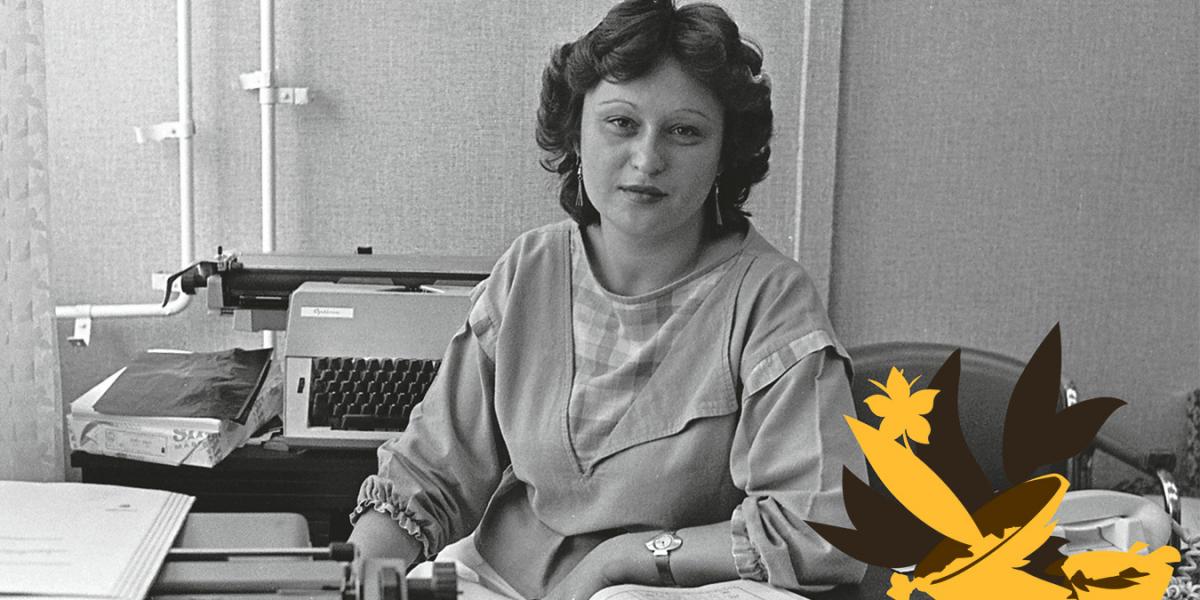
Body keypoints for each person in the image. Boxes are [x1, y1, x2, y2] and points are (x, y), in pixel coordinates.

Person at [348, 1, 867, 598]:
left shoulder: (772, 300)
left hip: (669, 590)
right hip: (498, 581)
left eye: (685, 131)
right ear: (575, 133)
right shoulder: (528, 270)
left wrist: (619, 561)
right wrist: (355, 576)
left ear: (725, 152)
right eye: (621, 123)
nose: (648, 160)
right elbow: (430, 474)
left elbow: (824, 530)